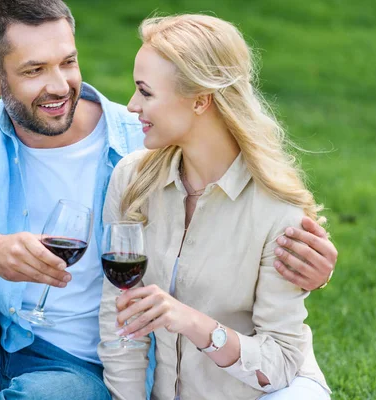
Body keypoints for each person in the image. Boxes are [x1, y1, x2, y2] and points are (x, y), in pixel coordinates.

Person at [0, 1, 337, 399]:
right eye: (33, 71)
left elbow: (234, 204)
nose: (58, 85)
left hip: (80, 369)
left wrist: (312, 263)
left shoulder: (144, 141)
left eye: (67, 61)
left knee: (57, 393)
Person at [99, 14, 333, 400]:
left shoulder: (277, 209)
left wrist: (196, 325)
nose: (131, 105)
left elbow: (281, 363)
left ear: (201, 100)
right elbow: (117, 318)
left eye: (146, 92)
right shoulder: (132, 179)